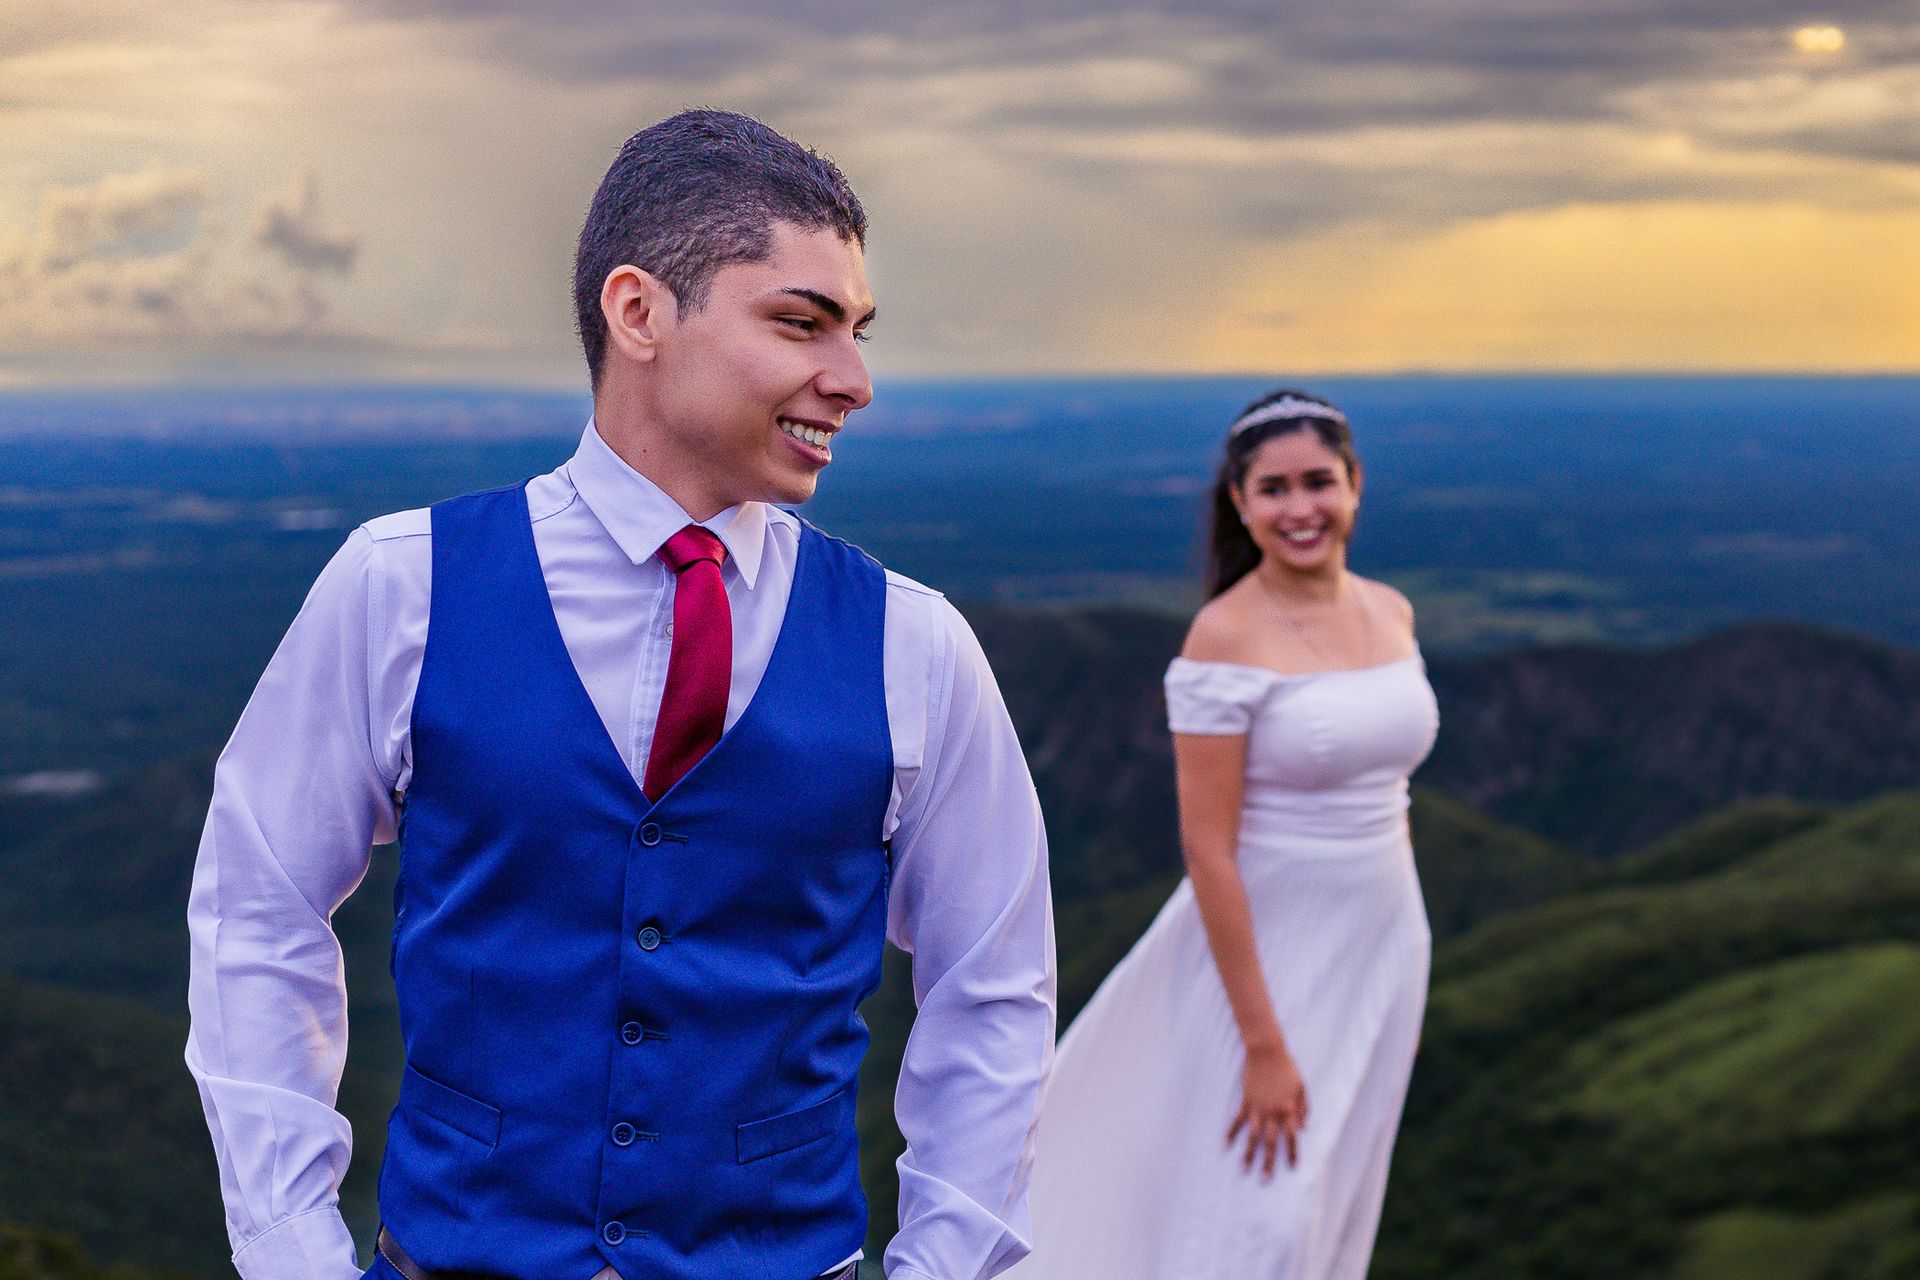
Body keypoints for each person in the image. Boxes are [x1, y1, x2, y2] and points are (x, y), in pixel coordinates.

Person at [185, 110, 1054, 1280]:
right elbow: (256, 906)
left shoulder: (917, 643)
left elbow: (992, 987)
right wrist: (293, 1253)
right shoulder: (401, 585)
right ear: (639, 312)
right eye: (802, 322)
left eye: (857, 330)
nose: (851, 379)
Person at [1008, 389, 1437, 1279]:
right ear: (1240, 504)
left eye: (1318, 481)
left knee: (1333, 1191)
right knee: (1258, 1216)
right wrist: (1264, 1045)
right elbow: (1207, 847)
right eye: (1273, 489)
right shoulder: (1223, 636)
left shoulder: (1393, 611)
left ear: (1355, 484)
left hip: (1383, 937)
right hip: (1263, 956)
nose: (1300, 508)